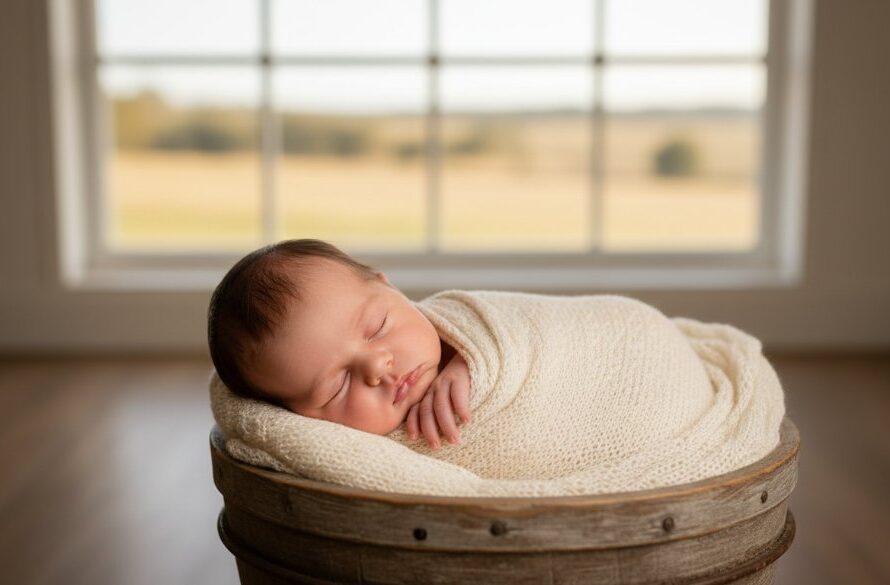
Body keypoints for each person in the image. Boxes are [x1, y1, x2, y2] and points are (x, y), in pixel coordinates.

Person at [207, 239, 471, 451]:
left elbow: (508, 322)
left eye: (378, 327)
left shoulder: (466, 320)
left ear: (389, 286)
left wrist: (471, 363)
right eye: (338, 387)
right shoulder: (358, 458)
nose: (376, 366)